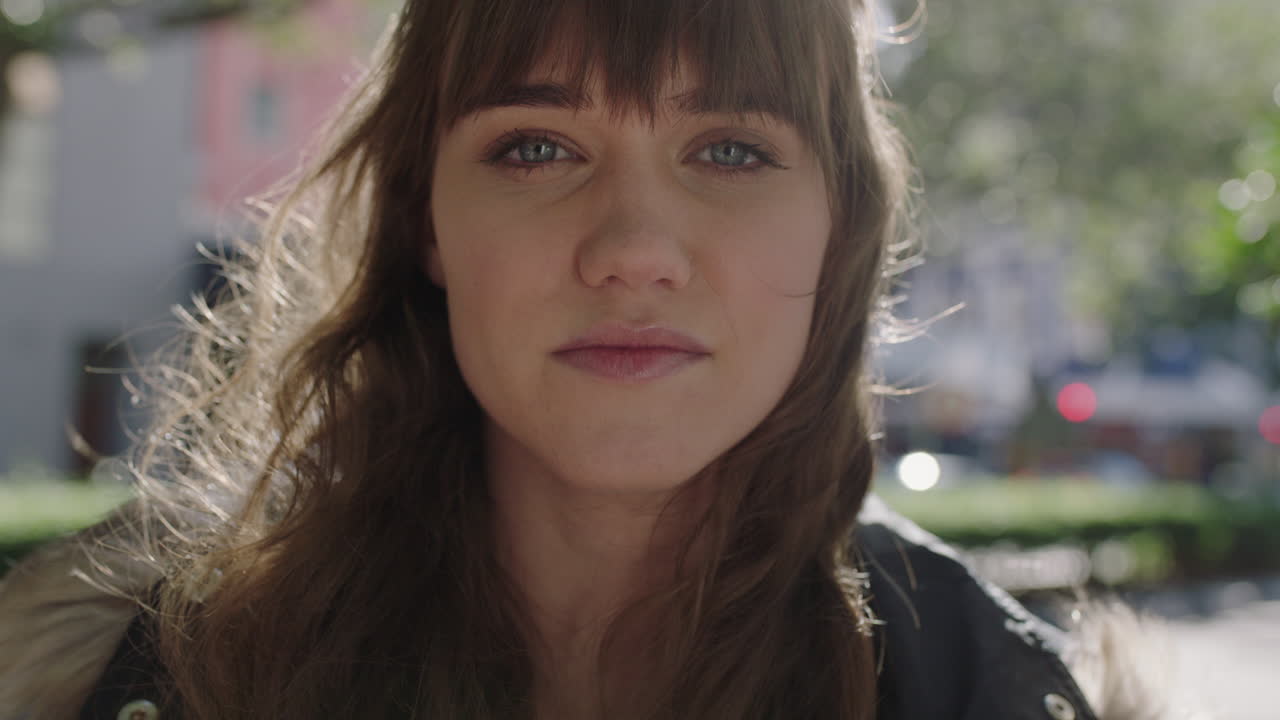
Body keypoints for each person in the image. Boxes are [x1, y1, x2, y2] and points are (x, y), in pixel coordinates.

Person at [0, 1, 1178, 718]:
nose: (632, 252)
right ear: (426, 224)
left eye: (727, 148)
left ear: (841, 225)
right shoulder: (160, 679)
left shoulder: (987, 695)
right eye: (535, 146)